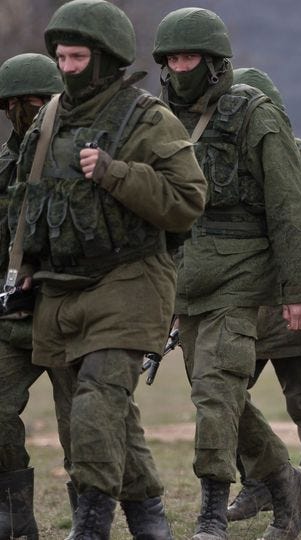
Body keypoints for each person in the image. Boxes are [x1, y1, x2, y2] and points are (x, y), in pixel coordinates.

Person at [9, 0, 208, 537]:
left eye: (77, 57)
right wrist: (23, 262)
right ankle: (149, 519)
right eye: (62, 57)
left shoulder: (148, 119)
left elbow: (188, 201)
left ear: (105, 58)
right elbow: (27, 201)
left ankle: (91, 525)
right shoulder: (48, 121)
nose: (67, 67)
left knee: (98, 405)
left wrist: (117, 173)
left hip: (130, 280)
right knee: (101, 414)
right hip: (60, 288)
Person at [153, 7, 301, 539]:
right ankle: (290, 486)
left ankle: (211, 513)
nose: (181, 67)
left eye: (191, 57)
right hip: (185, 279)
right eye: (173, 58)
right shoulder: (158, 119)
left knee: (214, 392)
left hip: (241, 275)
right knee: (227, 398)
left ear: (215, 62)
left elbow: (292, 208)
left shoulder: (255, 115)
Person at [222, 67, 301, 528]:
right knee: (223, 398)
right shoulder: (222, 165)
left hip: (299, 309)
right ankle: (259, 480)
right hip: (242, 308)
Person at [0, 51, 73, 540]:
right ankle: (14, 515)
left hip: (71, 309)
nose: (24, 112)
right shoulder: (5, 164)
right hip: (13, 316)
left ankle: (90, 517)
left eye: (35, 102)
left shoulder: (78, 154)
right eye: (14, 104)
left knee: (84, 425)